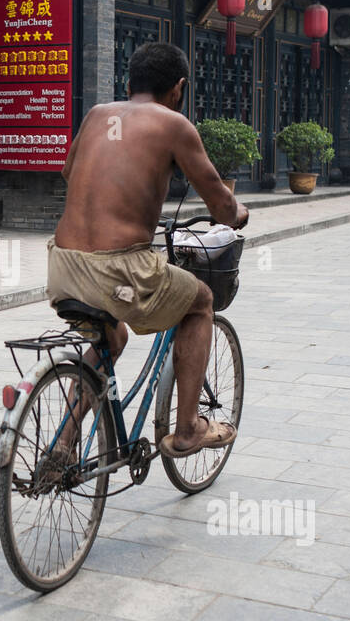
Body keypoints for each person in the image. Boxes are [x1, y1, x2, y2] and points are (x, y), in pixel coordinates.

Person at [47, 42, 250, 459]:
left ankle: (63, 445)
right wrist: (238, 213)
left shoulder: (96, 115)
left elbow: (70, 173)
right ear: (178, 88)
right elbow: (222, 206)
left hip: (62, 264)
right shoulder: (174, 125)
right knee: (200, 302)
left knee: (111, 335)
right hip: (118, 268)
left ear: (129, 82)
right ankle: (189, 428)